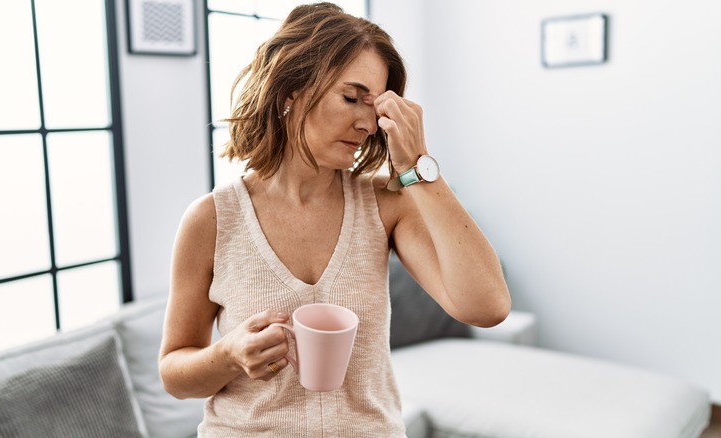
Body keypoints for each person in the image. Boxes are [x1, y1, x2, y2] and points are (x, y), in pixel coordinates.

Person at [159, 3, 511, 437]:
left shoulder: (385, 203)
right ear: (291, 90)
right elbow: (174, 374)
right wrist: (229, 355)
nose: (367, 123)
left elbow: (488, 306)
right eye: (351, 98)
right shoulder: (211, 220)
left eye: (376, 108)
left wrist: (419, 165)